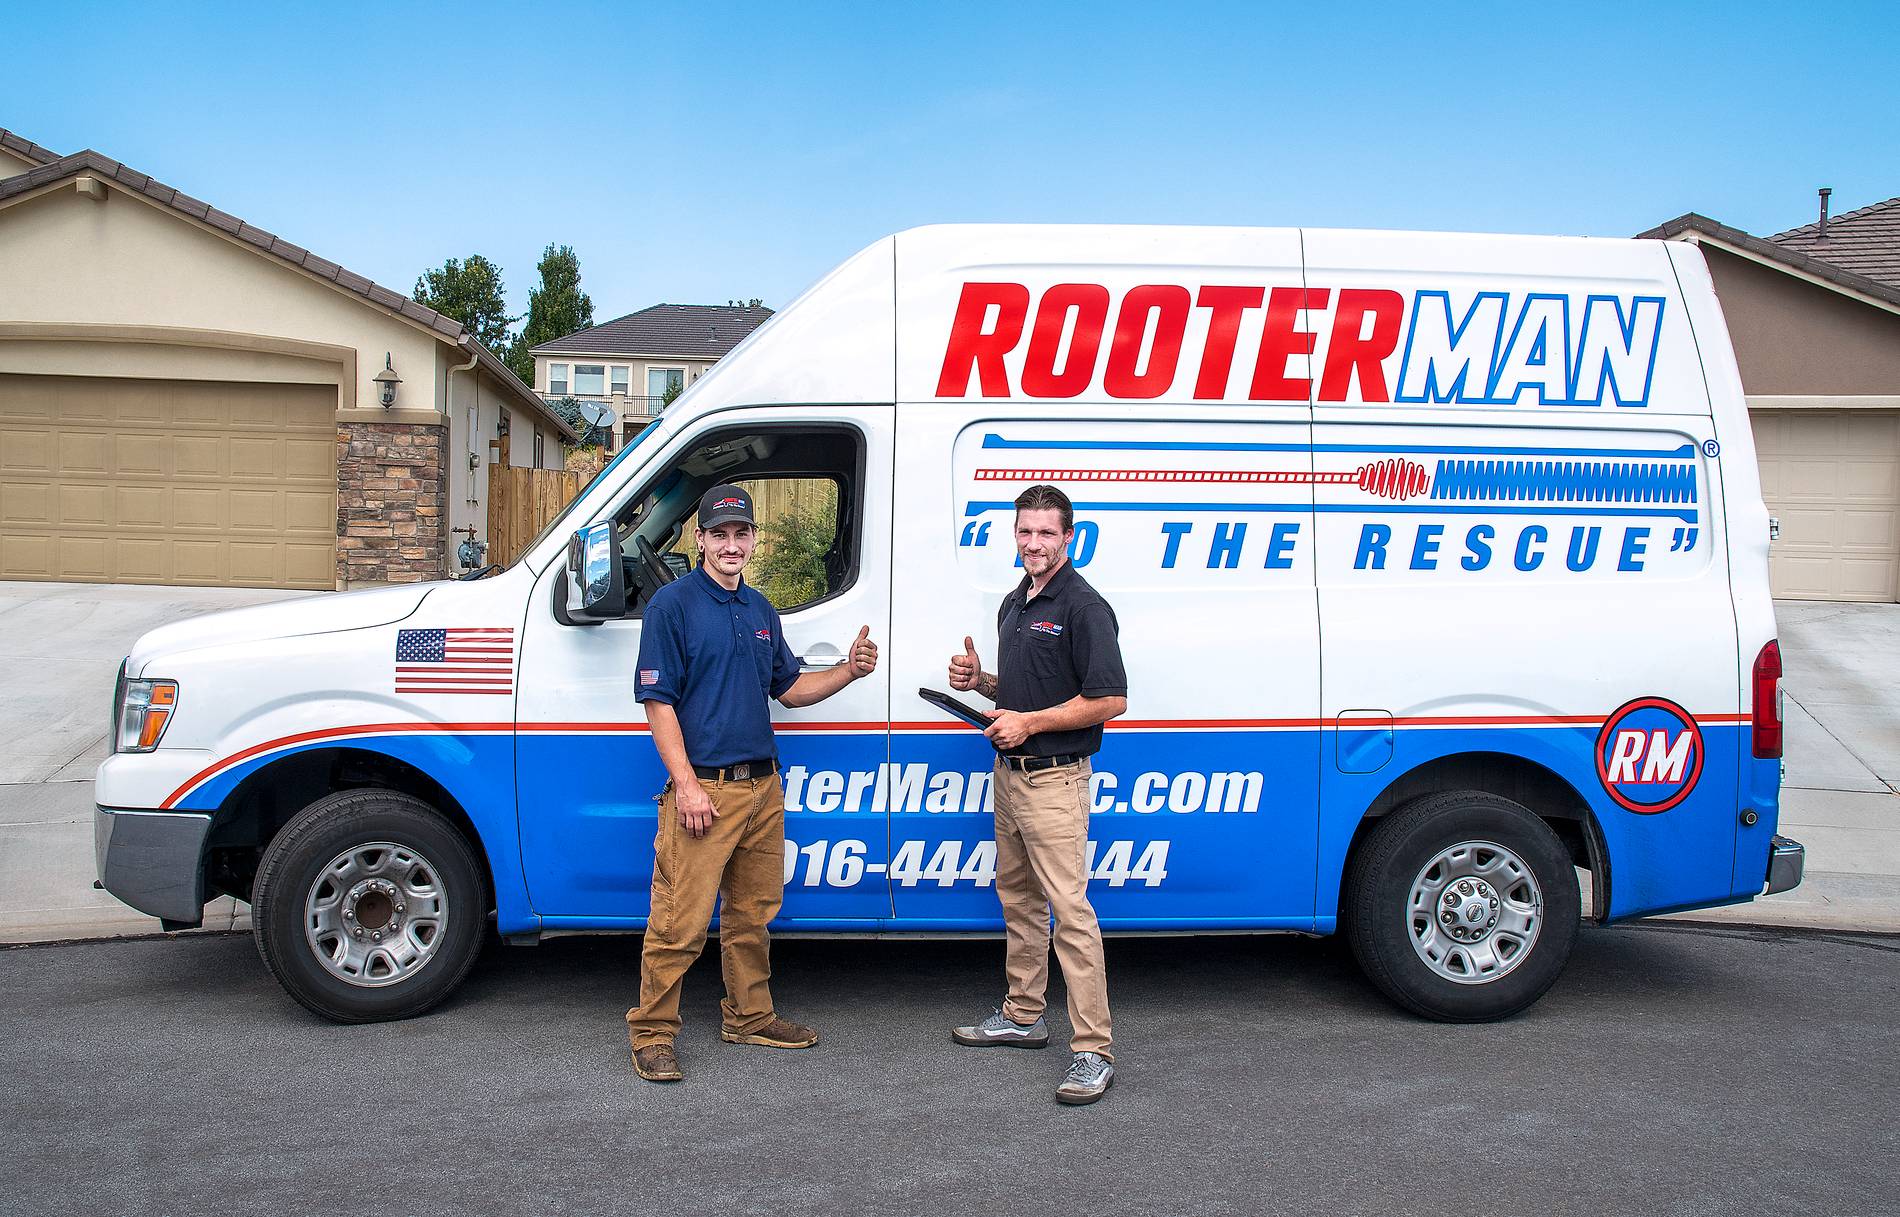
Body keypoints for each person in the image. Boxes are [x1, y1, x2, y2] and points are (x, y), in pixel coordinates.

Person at [626, 483, 878, 1083]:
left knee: (752, 914)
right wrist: (685, 786)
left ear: (753, 540)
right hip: (706, 792)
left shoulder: (761, 611)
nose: (731, 544)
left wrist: (848, 669)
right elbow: (657, 703)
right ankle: (653, 1034)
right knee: (678, 922)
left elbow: (790, 689)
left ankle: (749, 1015)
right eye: (720, 534)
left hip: (763, 788)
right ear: (701, 538)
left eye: (742, 534)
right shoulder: (673, 607)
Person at [947, 483, 1128, 1105]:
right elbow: (1028, 688)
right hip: (1010, 776)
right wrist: (984, 684)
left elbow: (1110, 698)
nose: (1034, 543)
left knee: (1069, 912)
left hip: (1056, 780)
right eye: (1025, 532)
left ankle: (1093, 1051)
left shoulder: (1084, 606)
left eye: (1046, 533)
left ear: (1068, 538)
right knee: (1020, 902)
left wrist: (1029, 723)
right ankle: (1023, 1016)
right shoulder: (1013, 603)